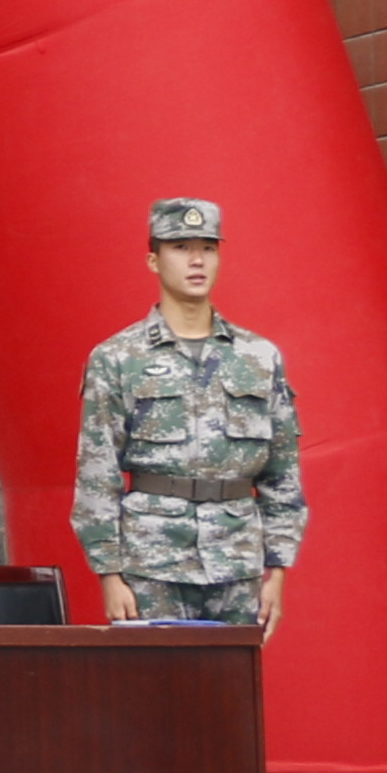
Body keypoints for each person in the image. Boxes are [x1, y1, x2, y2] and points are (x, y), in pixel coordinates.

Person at [73, 197, 306, 631]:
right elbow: (97, 472)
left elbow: (282, 473)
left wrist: (277, 571)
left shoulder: (259, 357)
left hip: (237, 561)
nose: (197, 260)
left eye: (208, 248)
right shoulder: (118, 358)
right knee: (157, 676)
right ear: (153, 260)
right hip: (152, 562)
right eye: (181, 248)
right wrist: (109, 573)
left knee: (234, 677)